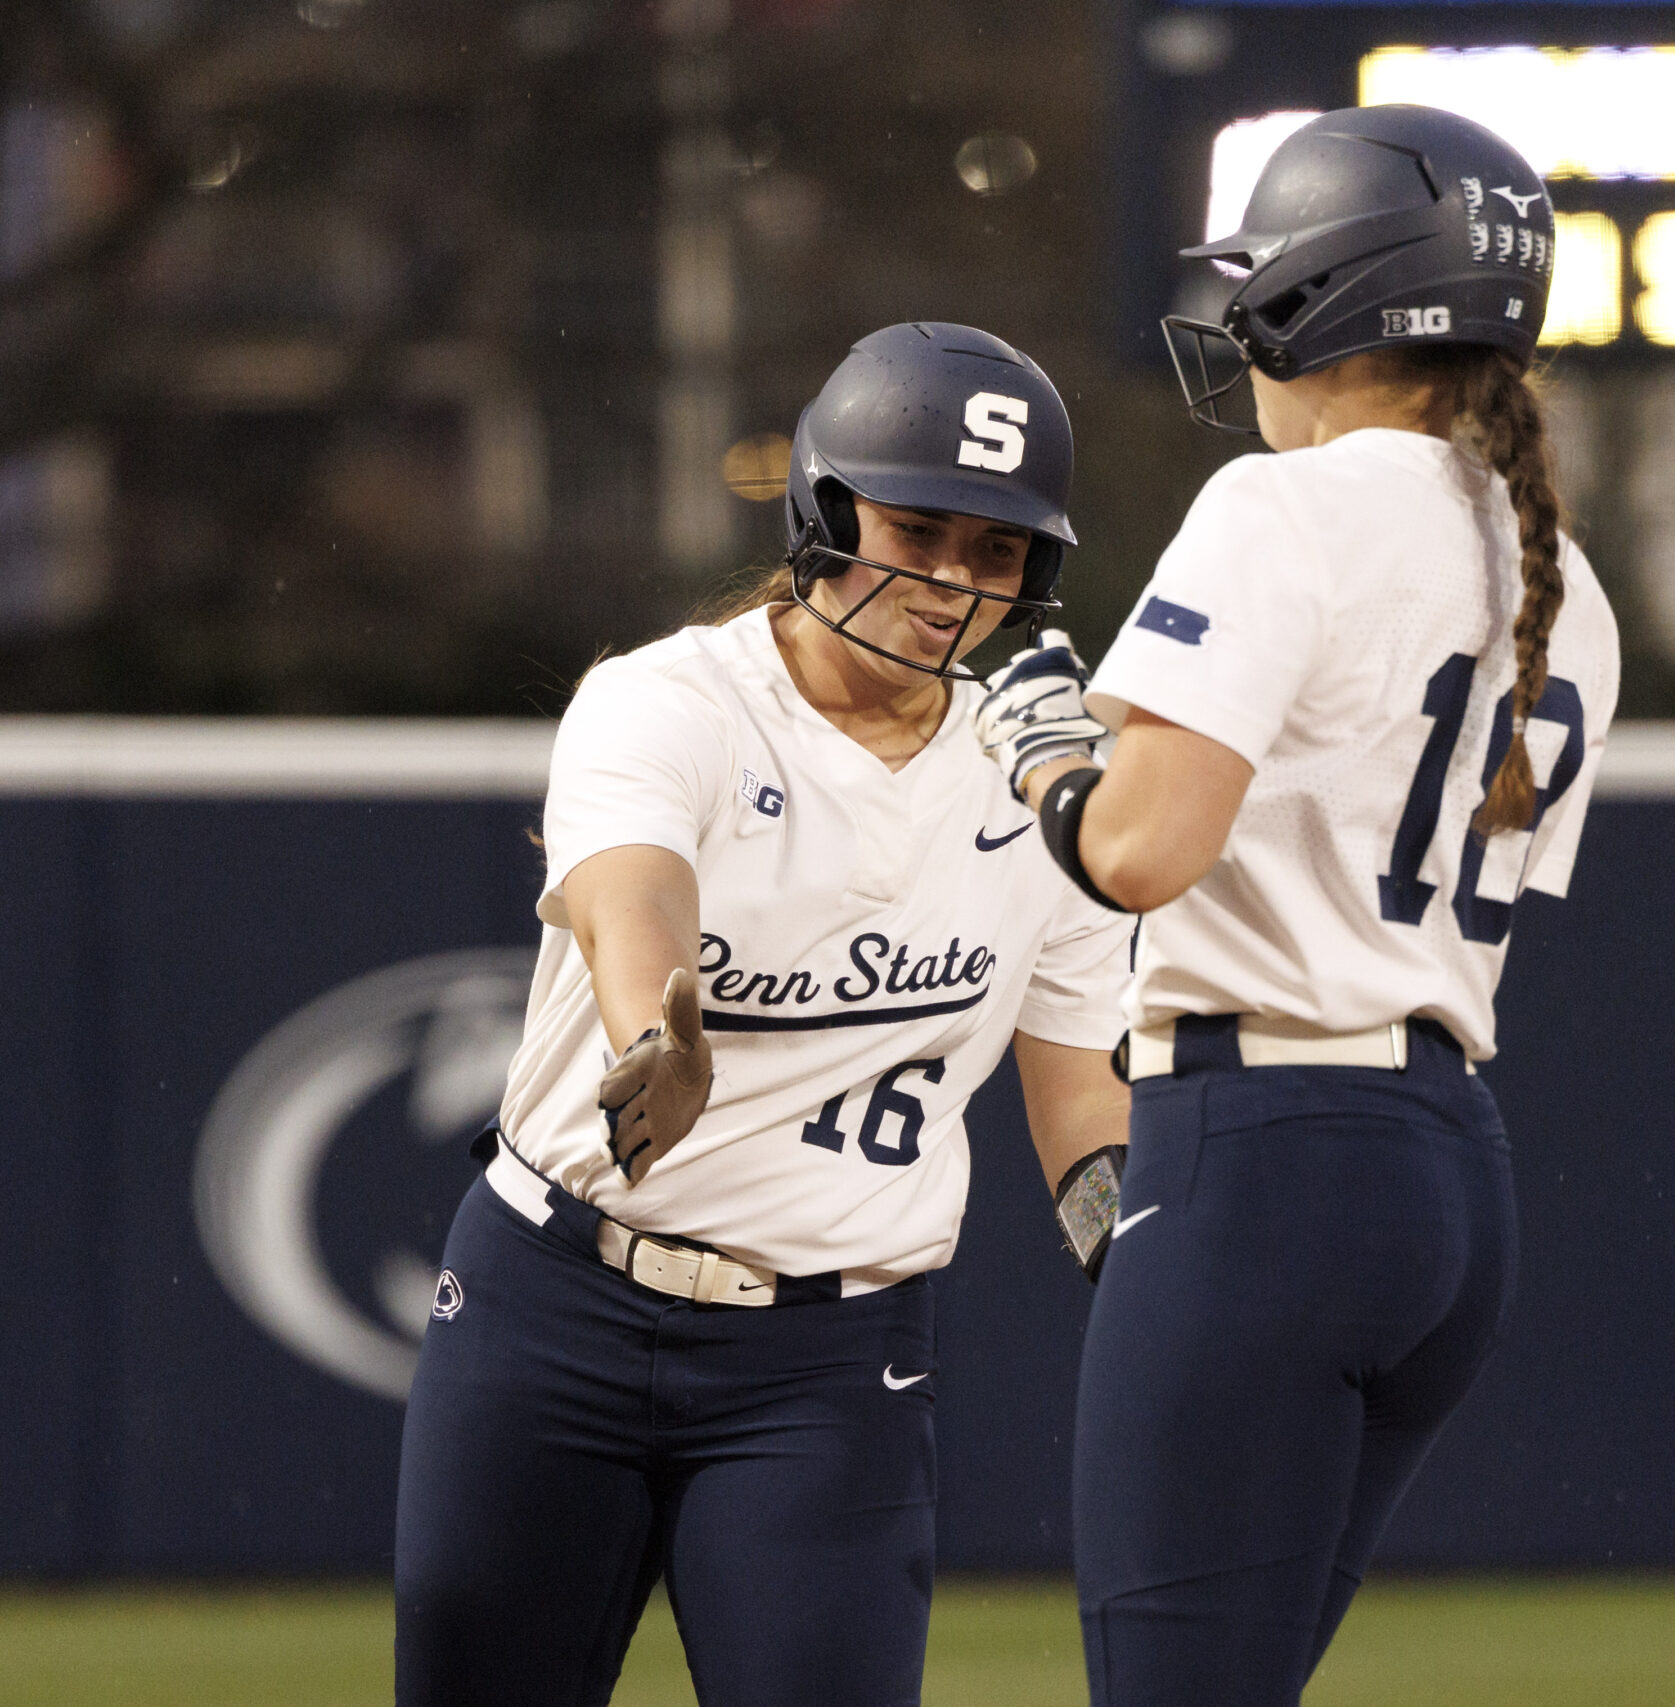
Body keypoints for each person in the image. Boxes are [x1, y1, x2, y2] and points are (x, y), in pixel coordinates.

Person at [971, 106, 1621, 1706]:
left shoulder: (1286, 505)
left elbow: (1138, 851)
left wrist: (1045, 749)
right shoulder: (1565, 578)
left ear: (1326, 290)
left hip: (1265, 1156)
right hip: (1446, 1170)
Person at [393, 321, 1134, 1707]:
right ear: (825, 511)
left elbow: (1082, 1082)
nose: (952, 581)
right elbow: (630, 900)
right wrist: (654, 1037)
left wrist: (1136, 1243)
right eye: (917, 529)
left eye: (997, 550)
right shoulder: (671, 698)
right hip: (554, 1304)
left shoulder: (1039, 768)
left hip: (830, 1358)